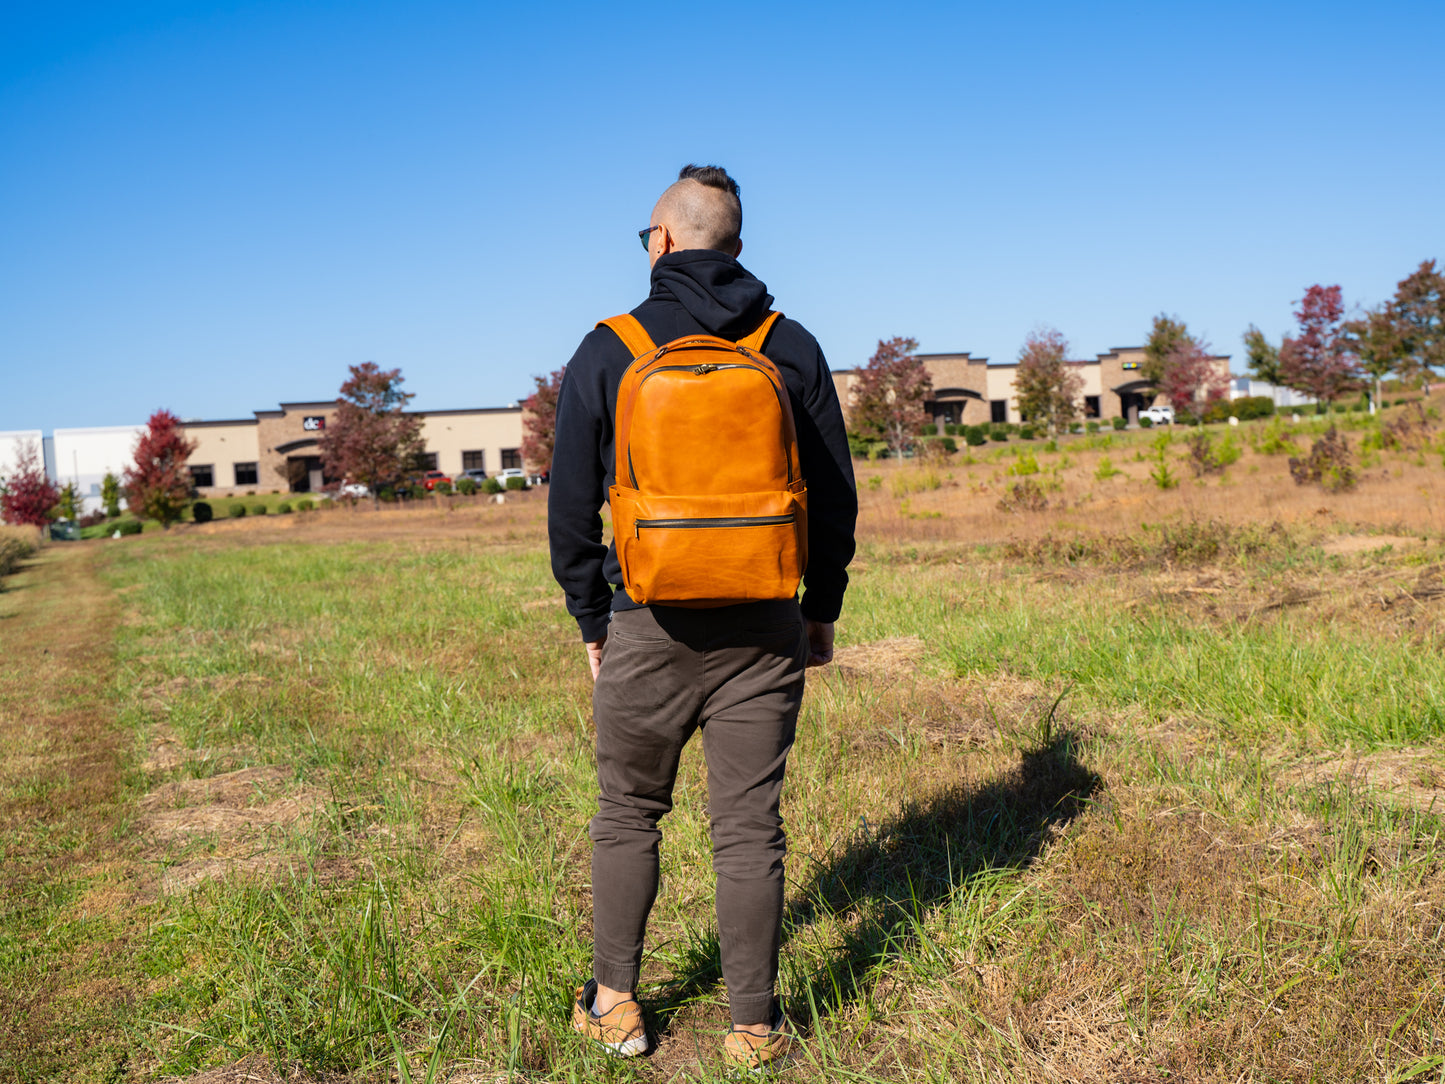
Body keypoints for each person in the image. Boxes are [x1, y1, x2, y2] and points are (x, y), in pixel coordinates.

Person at [548, 164, 857, 1069]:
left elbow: (570, 508)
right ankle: (754, 1027)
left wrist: (591, 619)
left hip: (647, 617)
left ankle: (613, 1005)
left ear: (665, 241)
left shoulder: (610, 347)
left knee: (627, 813)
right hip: (764, 619)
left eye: (648, 234)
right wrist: (819, 610)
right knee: (749, 824)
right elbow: (833, 498)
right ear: (734, 247)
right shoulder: (787, 343)